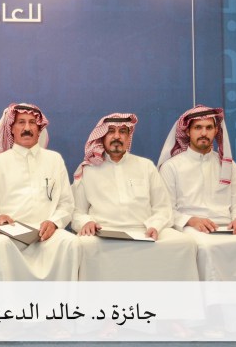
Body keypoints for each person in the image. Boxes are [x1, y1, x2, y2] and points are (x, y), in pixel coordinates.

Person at [157, 105, 236, 281]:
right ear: (188, 131)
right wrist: (191, 220)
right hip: (194, 229)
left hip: (228, 227)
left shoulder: (228, 165)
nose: (204, 133)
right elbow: (165, 209)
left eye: (209, 127)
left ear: (216, 131)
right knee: (207, 248)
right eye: (198, 127)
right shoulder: (171, 167)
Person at [72, 113, 198, 280]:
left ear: (128, 136)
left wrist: (154, 226)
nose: (117, 136)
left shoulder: (145, 166)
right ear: (102, 136)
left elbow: (162, 208)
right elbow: (76, 212)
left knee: (185, 244)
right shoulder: (87, 170)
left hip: (144, 231)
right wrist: (86, 222)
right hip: (104, 234)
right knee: (83, 245)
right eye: (111, 131)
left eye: (122, 131)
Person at [0, 103, 80, 280]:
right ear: (11, 128)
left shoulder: (54, 159)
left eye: (32, 123)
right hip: (10, 234)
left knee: (70, 242)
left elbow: (66, 203)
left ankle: (60, 299)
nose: (27, 128)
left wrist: (54, 222)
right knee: (0, 244)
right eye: (21, 122)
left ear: (39, 128)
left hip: (46, 234)